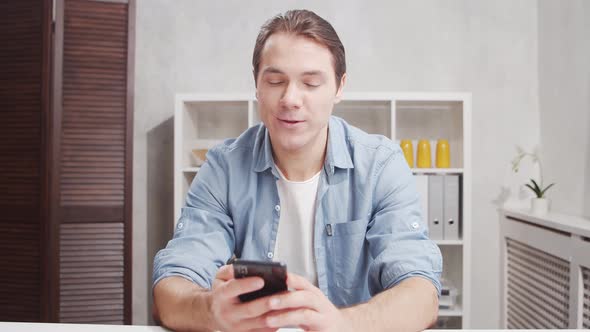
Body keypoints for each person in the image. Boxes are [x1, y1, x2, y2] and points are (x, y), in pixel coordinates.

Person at [152, 9, 442, 332]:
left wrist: (342, 323)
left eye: (311, 83)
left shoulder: (380, 165)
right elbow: (172, 285)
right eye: (275, 81)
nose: (290, 99)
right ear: (257, 86)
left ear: (339, 87)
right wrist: (208, 310)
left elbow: (422, 293)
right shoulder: (224, 167)